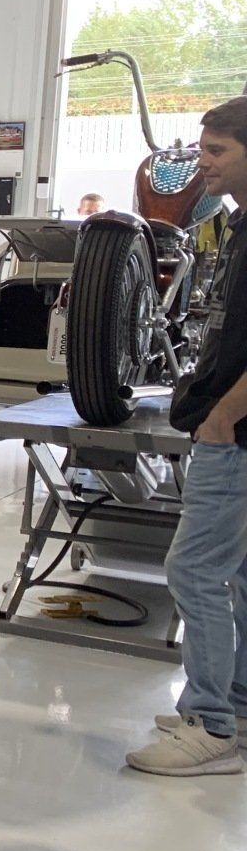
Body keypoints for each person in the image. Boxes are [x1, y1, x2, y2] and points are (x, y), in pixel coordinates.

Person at [127, 97, 247, 776]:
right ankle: (237, 704)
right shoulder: (236, 227)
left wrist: (225, 413)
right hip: (230, 421)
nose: (201, 165)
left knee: (195, 569)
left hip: (235, 430)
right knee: (237, 573)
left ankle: (209, 725)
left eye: (217, 152)